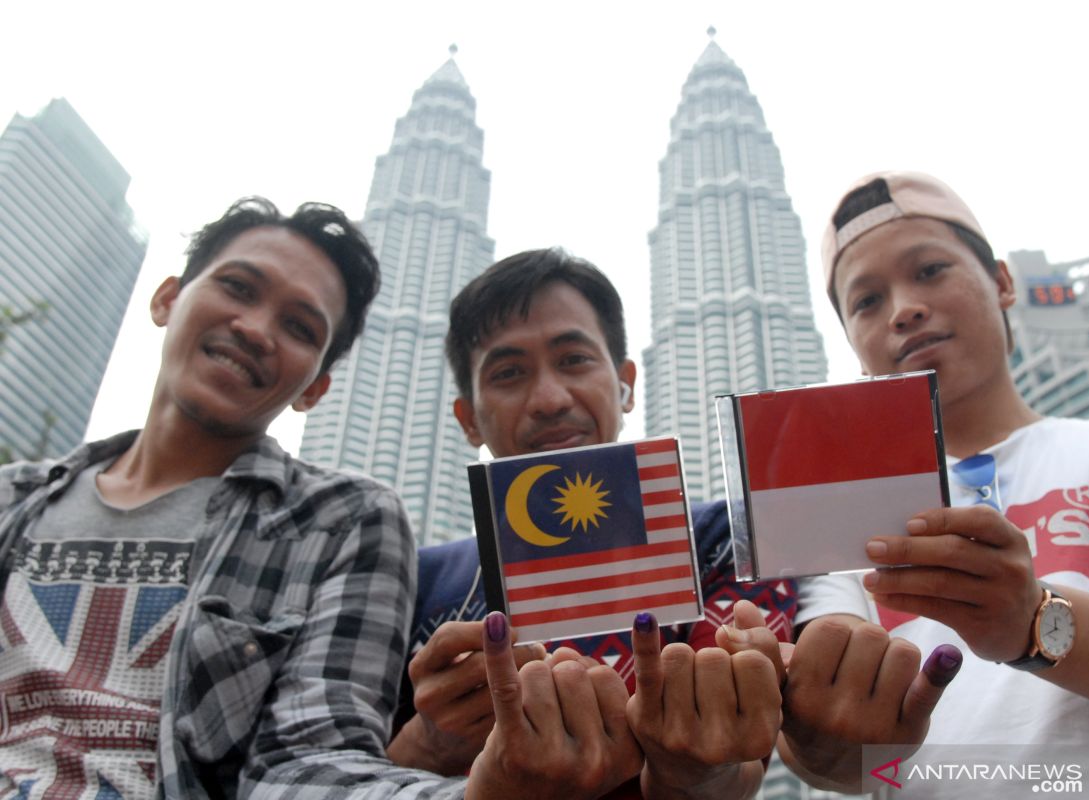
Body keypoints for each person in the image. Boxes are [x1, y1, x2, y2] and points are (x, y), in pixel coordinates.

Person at [0, 198, 543, 798]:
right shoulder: (11, 499)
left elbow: (308, 759)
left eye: (299, 328)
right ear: (168, 298)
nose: (255, 329)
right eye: (237, 287)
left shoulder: (345, 522)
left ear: (315, 387)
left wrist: (479, 793)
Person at [387, 248, 962, 797]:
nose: (549, 397)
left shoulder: (723, 541)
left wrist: (692, 772)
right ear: (467, 417)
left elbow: (740, 768)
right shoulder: (416, 581)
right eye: (508, 372)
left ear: (626, 382)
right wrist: (429, 742)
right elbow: (326, 766)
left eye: (574, 359)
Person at [814, 171, 1089, 793]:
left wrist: (1032, 623)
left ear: (1001, 281)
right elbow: (835, 761)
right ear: (856, 351)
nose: (904, 308)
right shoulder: (836, 525)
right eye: (866, 301)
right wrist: (794, 713)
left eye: (930, 270)